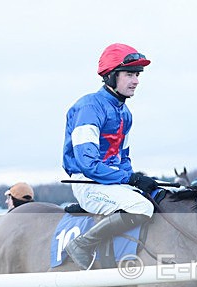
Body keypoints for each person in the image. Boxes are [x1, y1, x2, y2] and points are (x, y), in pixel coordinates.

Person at [62, 42, 158, 270]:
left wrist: (133, 177)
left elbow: (123, 159)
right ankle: (82, 245)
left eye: (137, 75)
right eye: (129, 74)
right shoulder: (88, 107)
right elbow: (88, 164)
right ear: (111, 76)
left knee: (160, 196)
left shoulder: (125, 113)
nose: (136, 81)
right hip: (88, 182)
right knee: (142, 208)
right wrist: (130, 179)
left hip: (111, 183)